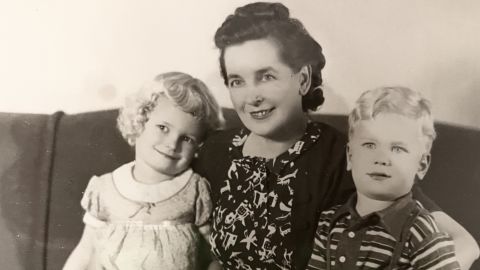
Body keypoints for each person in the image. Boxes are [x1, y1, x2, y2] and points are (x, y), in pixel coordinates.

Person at [193, 2, 478, 270]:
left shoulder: (344, 154)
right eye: (237, 81)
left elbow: (465, 244)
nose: (251, 96)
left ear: (302, 79)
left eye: (266, 76)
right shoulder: (215, 149)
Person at [63, 72, 223, 270]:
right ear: (139, 121)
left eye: (187, 139)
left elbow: (215, 254)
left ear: (199, 146)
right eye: (163, 127)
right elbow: (86, 251)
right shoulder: (105, 189)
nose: (173, 144)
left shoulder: (195, 190)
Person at [307, 86, 460, 269]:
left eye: (397, 149)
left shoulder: (421, 230)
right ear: (350, 156)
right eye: (370, 145)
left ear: (422, 165)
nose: (380, 159)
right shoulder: (329, 221)